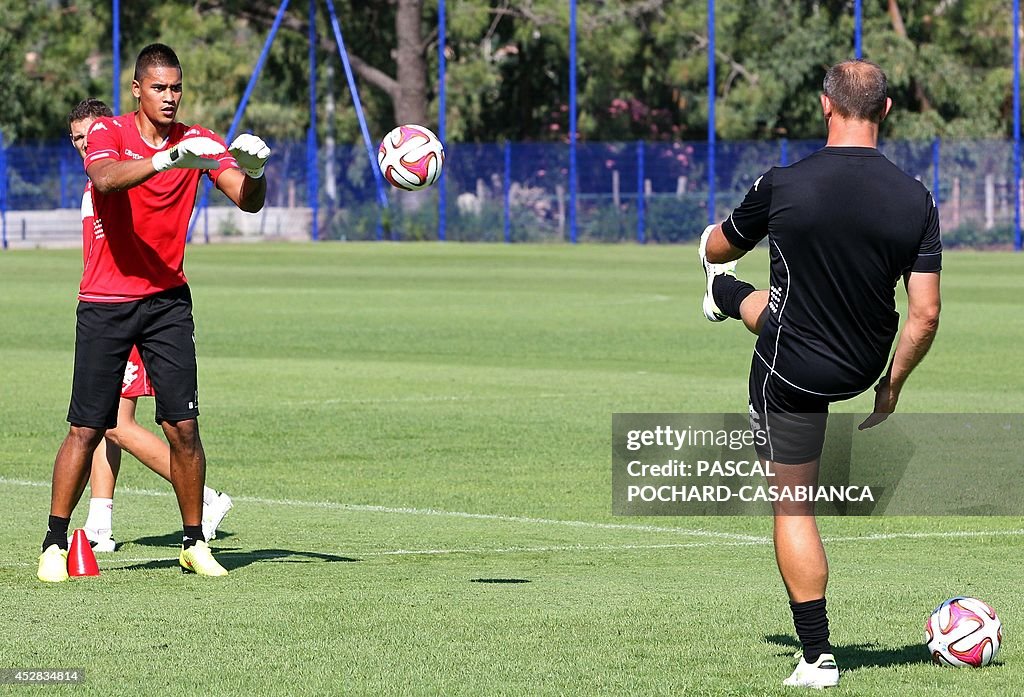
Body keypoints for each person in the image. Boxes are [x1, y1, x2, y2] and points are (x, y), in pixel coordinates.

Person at [697, 59, 941, 688]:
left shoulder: (783, 183)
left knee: (793, 505)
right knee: (782, 310)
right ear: (886, 111)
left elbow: (720, 241)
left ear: (825, 107)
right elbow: (926, 314)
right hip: (861, 364)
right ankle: (728, 297)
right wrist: (891, 385)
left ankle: (817, 657)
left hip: (796, 370)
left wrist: (707, 247)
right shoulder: (916, 195)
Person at [38, 43, 270, 582]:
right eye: (159, 88)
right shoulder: (107, 132)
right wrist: (166, 160)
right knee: (88, 428)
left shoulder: (201, 140)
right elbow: (105, 178)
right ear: (137, 90)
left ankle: (192, 542)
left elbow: (247, 199)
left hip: (168, 301)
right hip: (106, 302)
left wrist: (255, 171)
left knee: (183, 425)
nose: (170, 97)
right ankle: (53, 540)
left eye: (177, 88)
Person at [66, 98, 235, 553]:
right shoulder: (93, 187)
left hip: (142, 310)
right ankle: (100, 523)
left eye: (89, 137)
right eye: (76, 139)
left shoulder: (123, 175)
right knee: (105, 422)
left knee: (115, 422)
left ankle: (207, 500)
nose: (84, 146)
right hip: (108, 307)